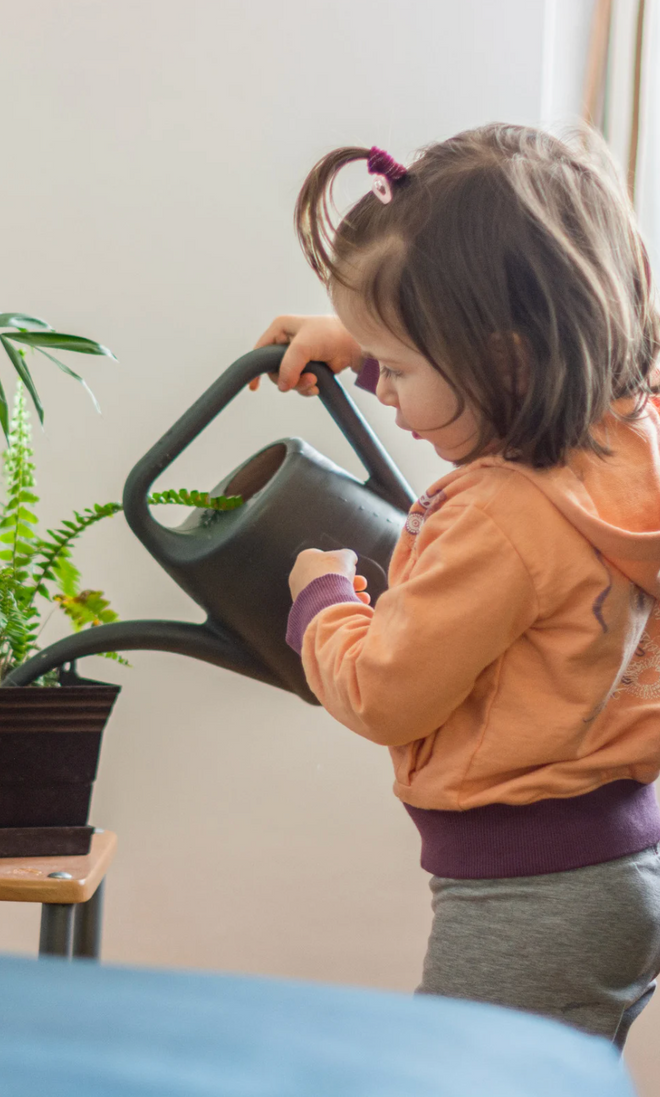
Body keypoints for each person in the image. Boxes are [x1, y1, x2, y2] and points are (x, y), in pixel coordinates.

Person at [257, 126, 660, 1048]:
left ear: (504, 359)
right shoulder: (625, 440)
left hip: (528, 896)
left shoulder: (496, 521)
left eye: (395, 368)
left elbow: (381, 692)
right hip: (617, 862)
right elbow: (498, 416)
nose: (386, 391)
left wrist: (324, 600)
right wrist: (360, 351)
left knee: (456, 1077)